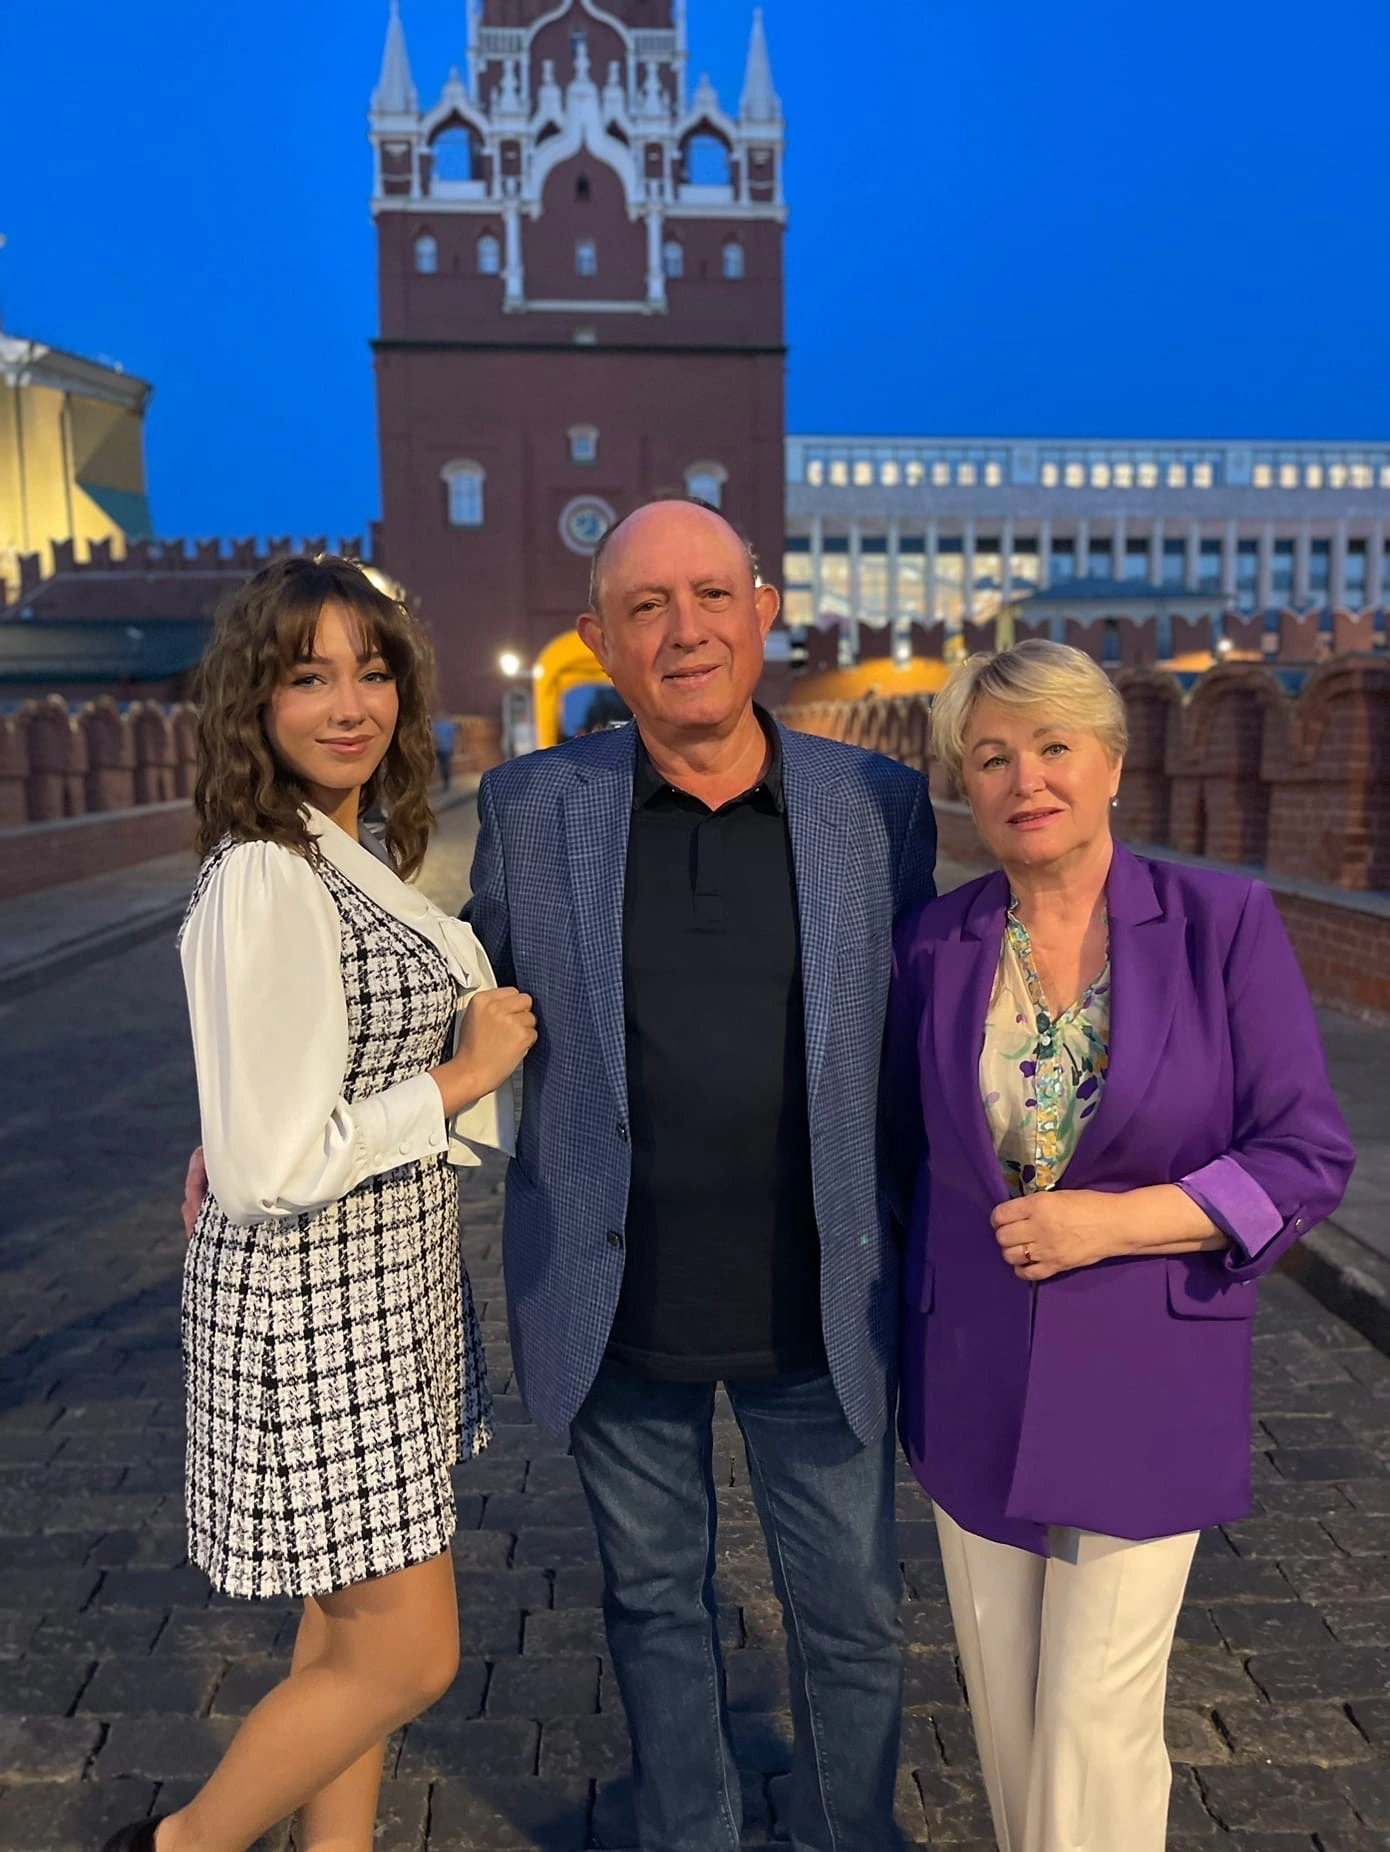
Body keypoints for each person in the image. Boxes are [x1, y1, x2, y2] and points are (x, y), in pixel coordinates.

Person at [465, 496, 937, 1852]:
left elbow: (939, 1013)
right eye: (647, 607)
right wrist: (266, 1112)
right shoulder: (530, 807)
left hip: (821, 1295)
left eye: (712, 595)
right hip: (614, 1298)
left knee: (850, 1614)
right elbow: (452, 997)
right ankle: (692, 1833)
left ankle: (849, 1831)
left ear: (762, 609)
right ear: (598, 639)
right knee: (654, 1605)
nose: (686, 631)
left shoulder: (876, 805)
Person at [883, 640, 1355, 1852]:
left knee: (1093, 1714)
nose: (1024, 779)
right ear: (964, 784)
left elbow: (1304, 1154)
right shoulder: (930, 945)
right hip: (971, 1368)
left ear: (1111, 760)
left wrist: (1114, 1220)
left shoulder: (1219, 925)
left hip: (1149, 1369)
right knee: (1007, 1714)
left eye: (1052, 746)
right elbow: (896, 1154)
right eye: (991, 756)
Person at [108, 556, 536, 1852]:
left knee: (344, 1633)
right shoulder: (266, 873)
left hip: (381, 1291)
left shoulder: (334, 852)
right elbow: (272, 1165)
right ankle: (181, 1846)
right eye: (309, 678)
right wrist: (459, 1075)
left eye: (373, 672)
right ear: (257, 700)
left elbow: (281, 1091)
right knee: (405, 1656)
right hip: (316, 1309)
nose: (350, 705)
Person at [433, 712, 458, 790]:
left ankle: (446, 781)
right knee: (443, 765)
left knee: (444, 765)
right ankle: (446, 781)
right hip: (442, 748)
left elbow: (454, 736)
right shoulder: (438, 725)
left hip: (444, 748)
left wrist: (455, 746)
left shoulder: (445, 725)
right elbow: (433, 736)